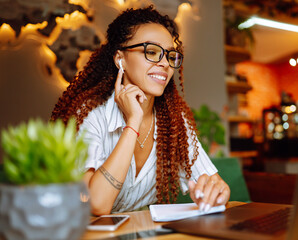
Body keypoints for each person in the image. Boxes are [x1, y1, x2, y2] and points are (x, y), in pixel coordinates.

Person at [51, 5, 230, 215]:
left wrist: (217, 191)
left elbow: (212, 182)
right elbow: (96, 204)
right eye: (151, 52)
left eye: (170, 56)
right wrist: (133, 122)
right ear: (120, 59)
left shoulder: (173, 120)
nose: (165, 63)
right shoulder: (91, 114)